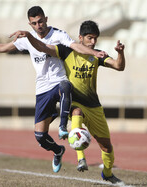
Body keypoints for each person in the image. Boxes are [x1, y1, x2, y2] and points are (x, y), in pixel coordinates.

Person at [0, 6, 105, 173]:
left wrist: (93, 53)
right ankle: (58, 151)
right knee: (40, 136)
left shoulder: (59, 35)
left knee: (66, 86)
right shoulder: (26, 39)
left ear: (46, 19)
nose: (38, 25)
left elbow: (75, 46)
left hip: (58, 82)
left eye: (40, 21)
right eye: (34, 23)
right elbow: (3, 48)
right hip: (42, 89)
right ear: (29, 24)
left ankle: (62, 125)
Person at [11, 20, 126, 184]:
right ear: (80, 38)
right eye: (89, 38)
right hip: (74, 102)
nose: (93, 42)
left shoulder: (98, 55)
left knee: (106, 147)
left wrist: (120, 53)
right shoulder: (66, 50)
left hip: (94, 107)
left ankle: (107, 174)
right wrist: (29, 36)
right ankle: (81, 158)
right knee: (76, 113)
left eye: (95, 39)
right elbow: (43, 47)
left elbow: (118, 66)